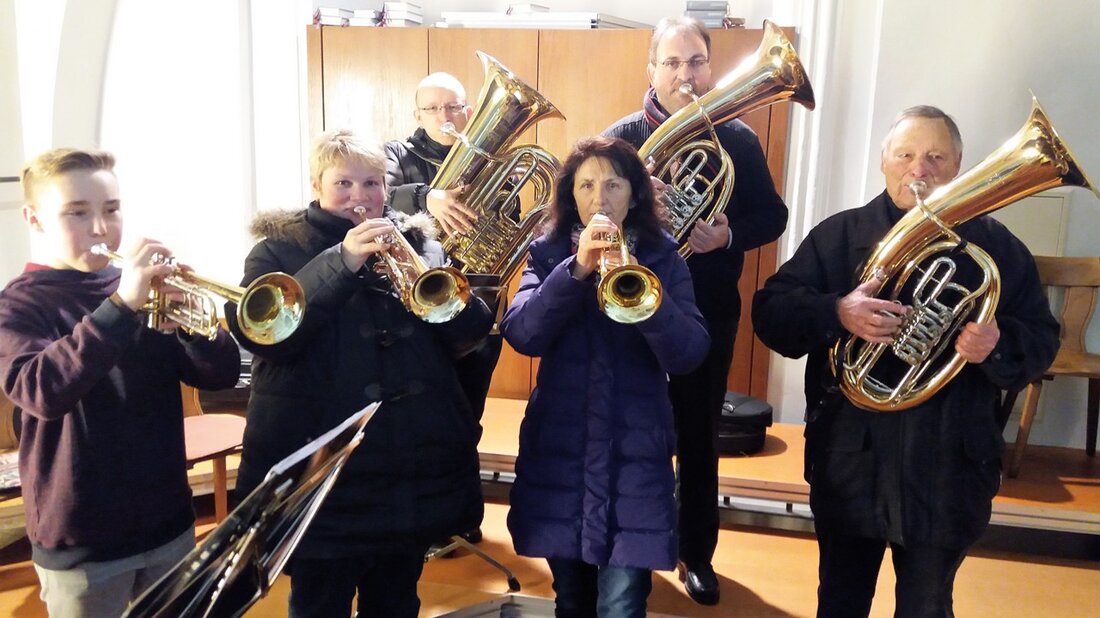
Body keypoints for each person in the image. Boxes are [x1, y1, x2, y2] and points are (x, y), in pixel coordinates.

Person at [752, 106, 1060, 617]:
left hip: (948, 466)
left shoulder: (995, 246)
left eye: (936, 157)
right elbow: (771, 313)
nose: (920, 169)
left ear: (958, 165)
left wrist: (997, 344)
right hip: (851, 459)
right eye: (906, 155)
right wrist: (837, 311)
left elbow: (1043, 337)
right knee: (841, 601)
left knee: (927, 606)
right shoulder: (839, 236)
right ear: (883, 162)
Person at [227, 129, 492, 618]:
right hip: (323, 471)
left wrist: (423, 277)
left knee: (396, 601)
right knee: (319, 603)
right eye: (343, 183)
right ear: (316, 186)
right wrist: (341, 263)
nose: (359, 196)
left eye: (371, 183)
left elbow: (470, 334)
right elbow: (267, 338)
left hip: (408, 467)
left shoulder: (421, 244)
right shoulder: (277, 251)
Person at [0, 147, 241, 616]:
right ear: (34, 219)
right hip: (82, 537)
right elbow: (42, 391)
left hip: (167, 522)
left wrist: (197, 331)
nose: (100, 228)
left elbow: (220, 376)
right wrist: (121, 307)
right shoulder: (20, 305)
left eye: (111, 210)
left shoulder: (138, 288)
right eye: (77, 212)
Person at [603, 16, 789, 605]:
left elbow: (773, 216)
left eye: (696, 62)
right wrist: (635, 203)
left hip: (705, 308)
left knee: (699, 434)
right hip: (630, 311)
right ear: (652, 70)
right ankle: (625, 545)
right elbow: (586, 218)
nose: (685, 74)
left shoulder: (737, 138)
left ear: (710, 68)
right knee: (627, 428)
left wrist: (727, 236)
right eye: (673, 62)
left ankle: (697, 554)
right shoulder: (620, 140)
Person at [501, 136, 710, 618]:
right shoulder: (547, 254)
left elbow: (689, 352)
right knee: (571, 600)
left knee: (622, 603)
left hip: (634, 449)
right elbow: (523, 333)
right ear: (570, 196)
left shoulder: (663, 258)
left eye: (613, 185)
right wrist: (574, 272)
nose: (600, 198)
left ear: (634, 195)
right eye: (586, 185)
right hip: (561, 448)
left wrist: (643, 293)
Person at [385, 73, 503, 546]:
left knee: (467, 416)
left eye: (453, 107)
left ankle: (462, 513)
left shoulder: (492, 159)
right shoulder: (396, 155)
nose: (445, 116)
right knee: (421, 418)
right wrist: (426, 197)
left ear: (469, 111)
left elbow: (511, 220)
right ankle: (423, 516)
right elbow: (379, 200)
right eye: (433, 108)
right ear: (418, 115)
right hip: (415, 311)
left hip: (475, 306)